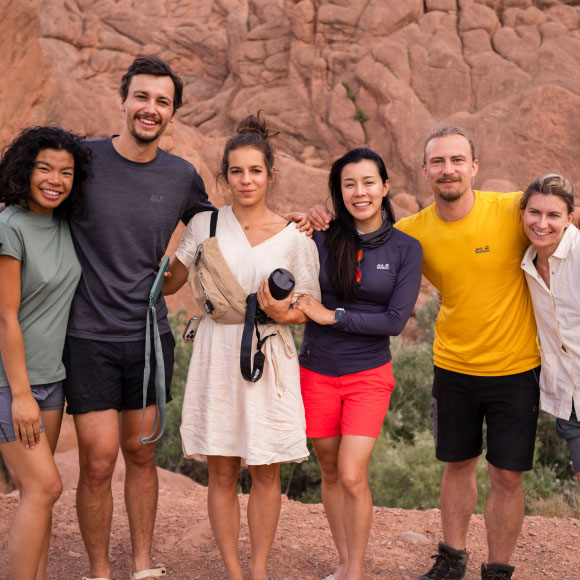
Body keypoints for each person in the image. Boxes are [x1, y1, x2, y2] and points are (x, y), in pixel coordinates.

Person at [309, 126, 541, 580]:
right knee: (457, 465)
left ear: (474, 166)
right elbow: (361, 231)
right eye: (438, 162)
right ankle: (452, 560)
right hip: (453, 364)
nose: (448, 169)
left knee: (507, 476)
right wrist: (316, 217)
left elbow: (556, 222)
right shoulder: (412, 233)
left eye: (457, 160)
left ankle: (498, 570)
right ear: (424, 171)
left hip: (516, 367)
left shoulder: (512, 210)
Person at [62, 56, 215, 580]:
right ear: (124, 100)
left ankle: (143, 566)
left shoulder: (181, 177)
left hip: (150, 337)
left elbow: (220, 231)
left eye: (163, 102)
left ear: (172, 114)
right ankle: (100, 570)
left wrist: (292, 225)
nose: (151, 109)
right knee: (100, 461)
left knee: (143, 455)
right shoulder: (81, 160)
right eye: (143, 97)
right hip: (86, 336)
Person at [162, 113, 321, 580]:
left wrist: (278, 311)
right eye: (236, 171)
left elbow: (305, 309)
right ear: (224, 176)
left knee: (267, 469)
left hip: (269, 355)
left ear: (271, 173)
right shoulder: (205, 225)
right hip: (217, 351)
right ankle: (233, 572)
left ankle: (259, 571)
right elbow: (171, 283)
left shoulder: (297, 238)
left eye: (255, 170)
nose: (246, 180)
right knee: (223, 469)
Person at [293, 148, 422, 580]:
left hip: (367, 375)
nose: (359, 192)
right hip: (316, 369)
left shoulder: (406, 248)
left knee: (351, 473)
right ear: (339, 191)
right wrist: (303, 223)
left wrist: (334, 315)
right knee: (329, 469)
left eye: (368, 182)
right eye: (349, 184)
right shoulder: (324, 236)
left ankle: (356, 573)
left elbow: (394, 321)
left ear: (385, 187)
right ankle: (344, 560)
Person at [0, 126, 90, 580]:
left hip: (50, 378)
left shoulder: (59, 222)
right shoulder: (9, 227)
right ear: (24, 170)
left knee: (38, 495)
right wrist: (20, 395)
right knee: (45, 486)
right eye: (44, 168)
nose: (55, 179)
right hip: (12, 383)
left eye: (66, 172)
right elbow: (5, 317)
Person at [520, 174, 580, 484]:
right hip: (568, 395)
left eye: (553, 215)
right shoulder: (526, 264)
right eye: (535, 212)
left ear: (569, 218)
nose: (542, 223)